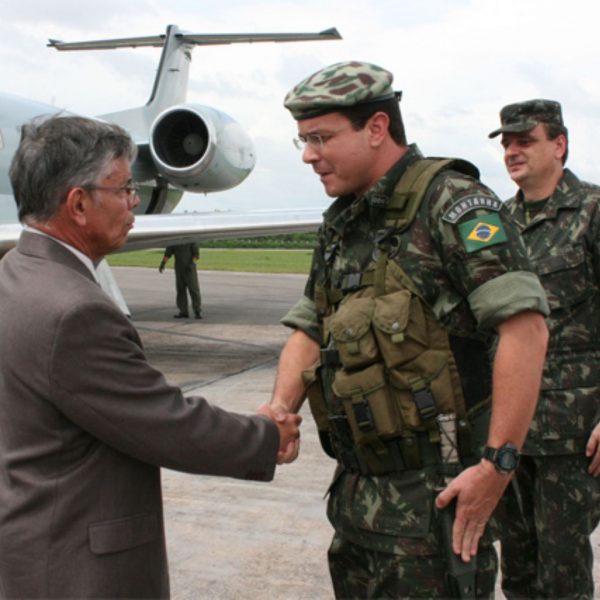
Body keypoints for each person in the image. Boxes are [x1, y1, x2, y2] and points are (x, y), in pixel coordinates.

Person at [264, 61, 550, 598]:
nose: (308, 155)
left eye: (321, 138)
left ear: (377, 128)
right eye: (303, 140)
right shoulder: (343, 220)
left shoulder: (451, 202)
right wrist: (279, 410)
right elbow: (310, 325)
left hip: (435, 508)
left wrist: (498, 464)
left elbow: (525, 329)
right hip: (357, 503)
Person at [0, 115, 301, 599]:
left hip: (34, 545)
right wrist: (267, 436)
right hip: (78, 571)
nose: (134, 201)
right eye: (123, 189)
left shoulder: (16, 272)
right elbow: (164, 421)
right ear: (78, 204)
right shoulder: (75, 311)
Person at [488, 99, 600, 599]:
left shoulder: (592, 212)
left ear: (559, 144)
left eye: (525, 141)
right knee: (517, 570)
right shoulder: (496, 222)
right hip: (510, 430)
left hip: (573, 433)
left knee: (562, 572)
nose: (512, 151)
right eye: (507, 143)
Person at [159, 242, 203, 319]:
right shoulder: (175, 241)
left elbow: (196, 255)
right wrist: (162, 264)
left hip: (190, 270)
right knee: (181, 290)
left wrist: (192, 263)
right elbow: (168, 253)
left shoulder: (191, 240)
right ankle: (183, 311)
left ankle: (197, 311)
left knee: (194, 290)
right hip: (179, 270)